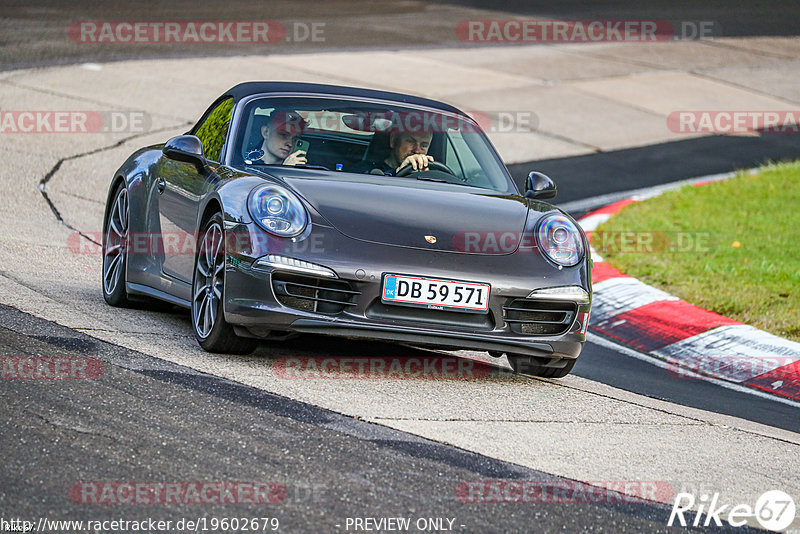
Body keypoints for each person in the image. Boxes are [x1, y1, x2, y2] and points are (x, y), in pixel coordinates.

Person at [355, 130, 434, 175]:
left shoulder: (432, 174)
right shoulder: (366, 169)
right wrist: (398, 172)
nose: (417, 150)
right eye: (410, 141)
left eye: (424, 145)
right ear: (393, 140)